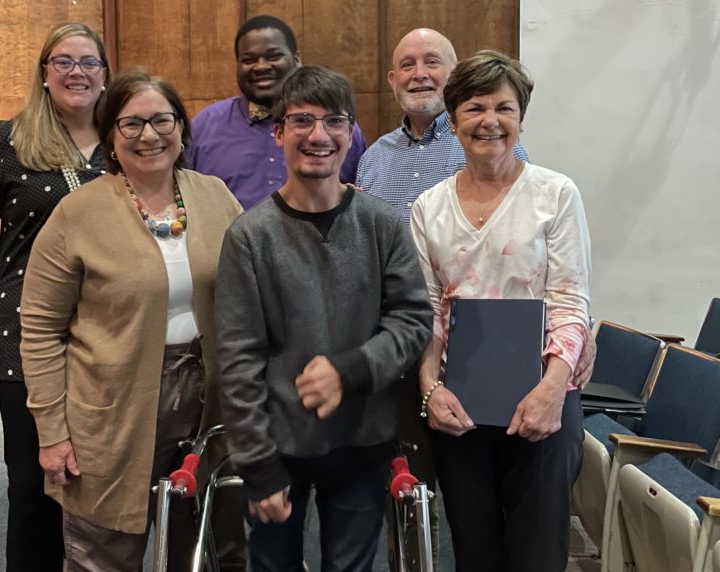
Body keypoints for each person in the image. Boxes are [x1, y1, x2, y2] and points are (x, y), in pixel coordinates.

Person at [358, 30, 596, 570]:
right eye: (475, 107)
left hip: (543, 396)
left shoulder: (555, 194)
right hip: (459, 405)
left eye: (503, 107)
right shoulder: (428, 207)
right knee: (474, 549)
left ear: (520, 116)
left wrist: (553, 388)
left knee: (537, 552)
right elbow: (428, 309)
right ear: (456, 117)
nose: (490, 120)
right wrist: (429, 388)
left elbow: (568, 299)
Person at [19, 68, 242, 571]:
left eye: (162, 120)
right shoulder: (77, 213)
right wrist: (52, 432)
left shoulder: (215, 195)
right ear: (109, 138)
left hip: (208, 399)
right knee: (105, 547)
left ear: (182, 129)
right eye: (131, 124)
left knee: (200, 539)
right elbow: (38, 329)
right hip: (111, 407)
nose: (149, 135)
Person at [216, 65, 433, 571]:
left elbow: (412, 321)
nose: (318, 136)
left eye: (334, 121)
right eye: (301, 121)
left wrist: (348, 370)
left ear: (351, 133)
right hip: (278, 446)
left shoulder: (381, 224)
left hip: (362, 442)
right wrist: (257, 463)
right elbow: (238, 359)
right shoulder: (249, 237)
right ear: (279, 133)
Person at [0, 23, 111, 571]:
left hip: (108, 336)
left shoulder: (125, 141)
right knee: (32, 485)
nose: (77, 72)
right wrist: (9, 296)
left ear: (104, 74)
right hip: (26, 337)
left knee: (99, 482)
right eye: (63, 62)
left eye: (89, 62)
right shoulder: (8, 139)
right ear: (44, 74)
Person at [187, 14, 367, 210]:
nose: (261, 66)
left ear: (296, 59)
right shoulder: (204, 126)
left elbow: (358, 199)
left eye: (274, 56)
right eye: (249, 60)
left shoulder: (337, 127)